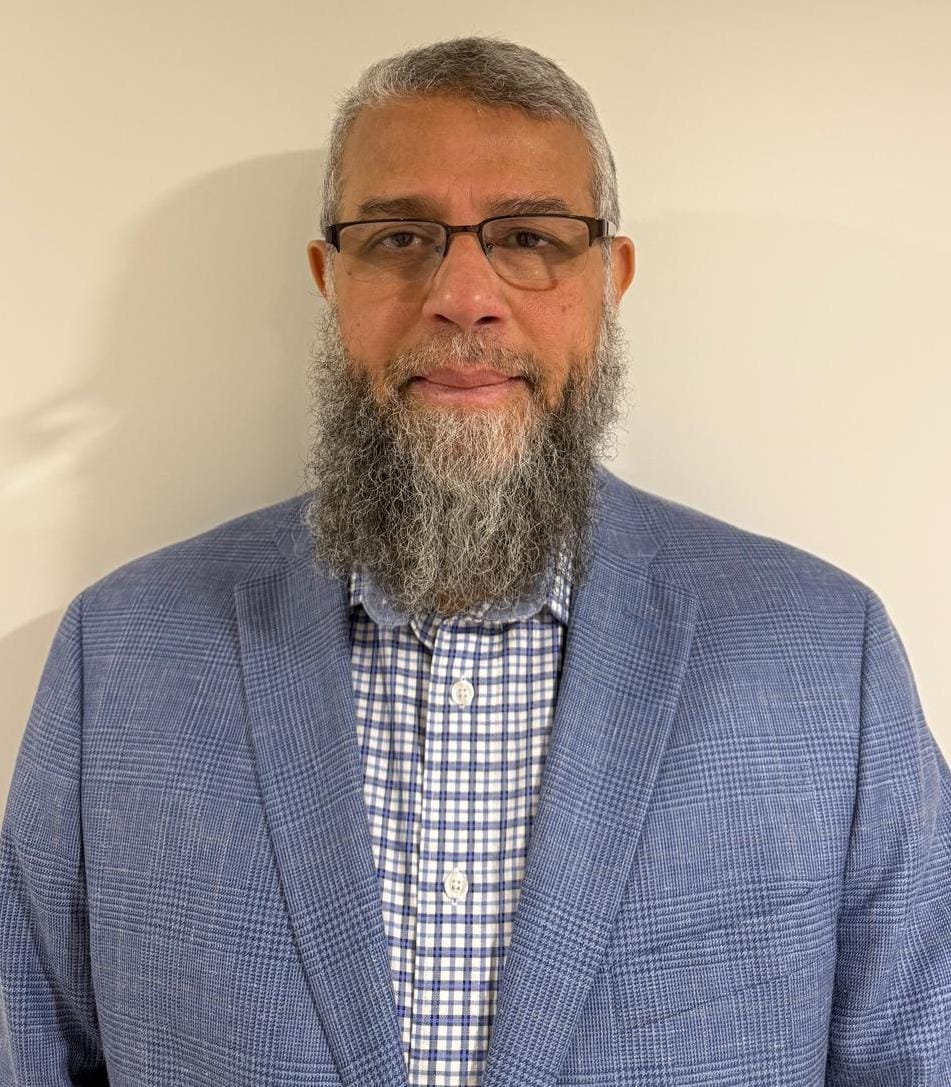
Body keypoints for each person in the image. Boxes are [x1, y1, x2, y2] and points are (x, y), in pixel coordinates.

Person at [1, 35, 948, 1087]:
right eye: (400, 237)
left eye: (530, 237)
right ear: (329, 278)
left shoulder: (828, 660)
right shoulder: (117, 657)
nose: (462, 294)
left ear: (611, 280)